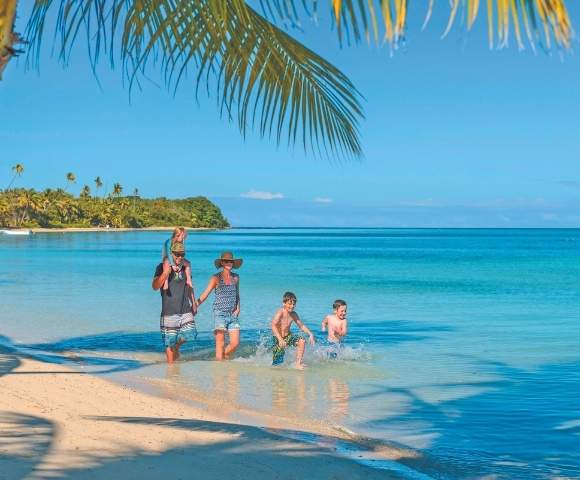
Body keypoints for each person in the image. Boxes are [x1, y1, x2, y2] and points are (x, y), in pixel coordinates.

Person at [152, 241, 198, 363]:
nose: (179, 257)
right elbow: (155, 286)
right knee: (169, 343)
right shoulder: (161, 267)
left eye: (182, 254)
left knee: (191, 334)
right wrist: (166, 273)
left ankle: (176, 347)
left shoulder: (185, 268)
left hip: (185, 309)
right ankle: (171, 372)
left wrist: (193, 303)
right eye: (177, 254)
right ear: (171, 254)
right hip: (169, 312)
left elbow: (189, 287)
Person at [197, 252, 242, 360]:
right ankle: (219, 372)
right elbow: (205, 293)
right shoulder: (215, 278)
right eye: (226, 261)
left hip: (232, 314)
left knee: (235, 343)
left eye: (230, 261)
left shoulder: (236, 277)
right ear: (222, 263)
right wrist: (195, 304)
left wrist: (238, 307)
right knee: (220, 344)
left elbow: (237, 293)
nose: (228, 263)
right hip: (220, 314)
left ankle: (223, 356)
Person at [271, 292, 315, 369]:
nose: (292, 306)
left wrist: (310, 334)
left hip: (288, 336)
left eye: (294, 304)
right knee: (277, 364)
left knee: (302, 341)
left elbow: (301, 326)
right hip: (278, 338)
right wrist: (280, 339)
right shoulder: (280, 312)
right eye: (289, 304)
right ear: (284, 303)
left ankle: (298, 363)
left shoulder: (293, 314)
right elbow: (273, 325)